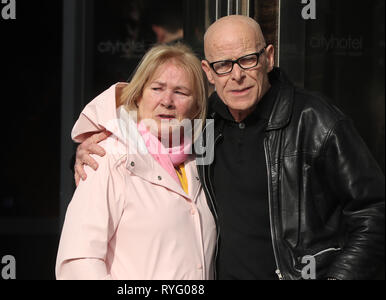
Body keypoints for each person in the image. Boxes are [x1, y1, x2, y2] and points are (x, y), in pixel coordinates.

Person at [74, 16, 385, 280]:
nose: (237, 75)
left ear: (269, 58)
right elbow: (146, 125)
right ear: (209, 73)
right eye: (223, 65)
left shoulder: (315, 121)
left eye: (248, 60)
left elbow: (374, 211)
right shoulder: (203, 126)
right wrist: (95, 140)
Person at [56, 43, 216, 280]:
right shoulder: (107, 157)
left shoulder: (204, 160)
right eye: (157, 88)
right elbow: (78, 262)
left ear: (197, 106)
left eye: (181, 92)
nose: (167, 101)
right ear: (138, 95)